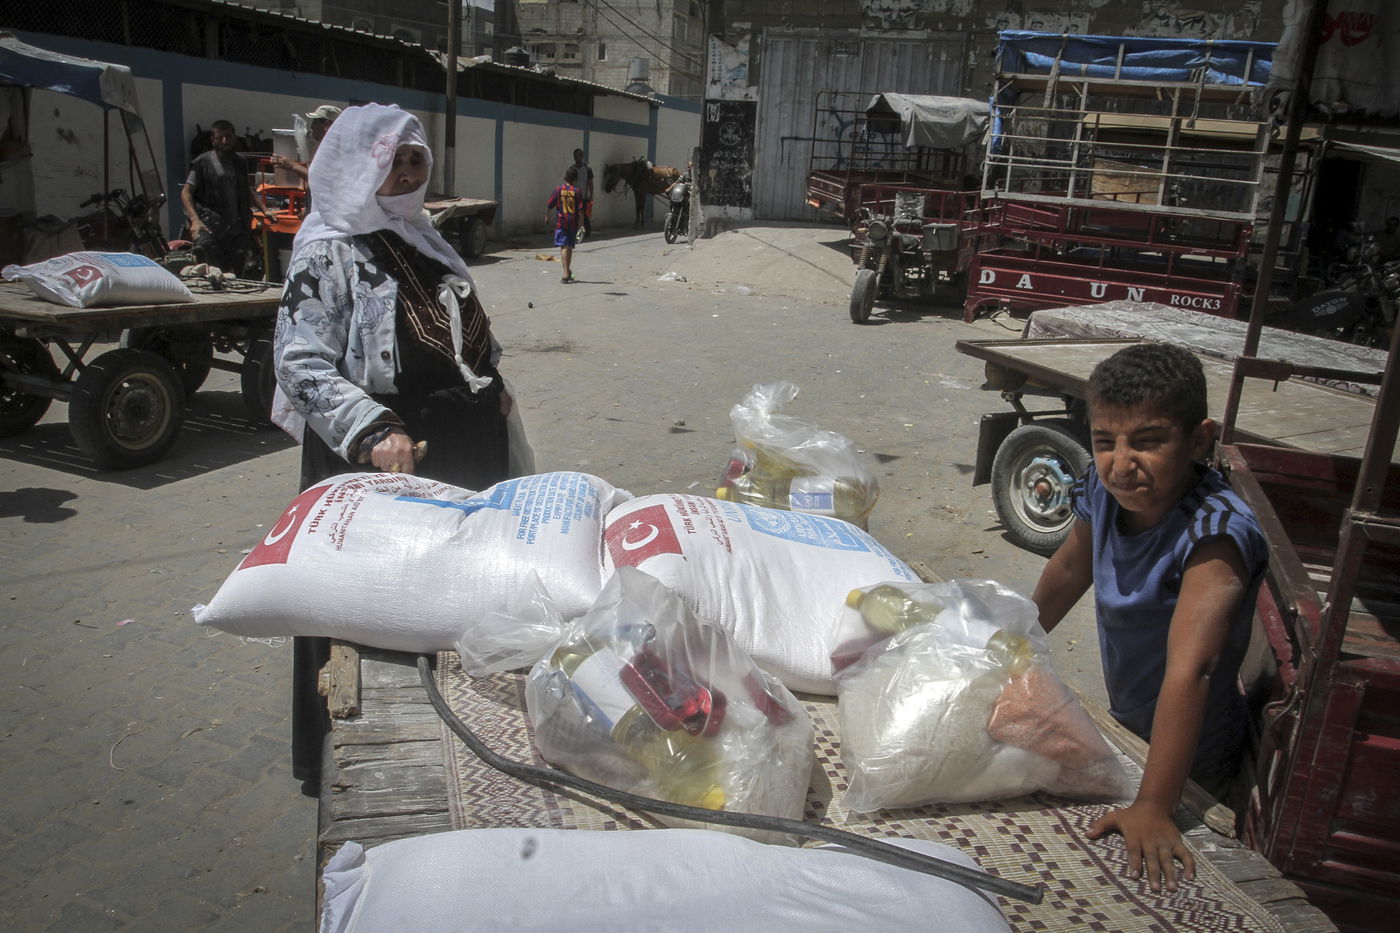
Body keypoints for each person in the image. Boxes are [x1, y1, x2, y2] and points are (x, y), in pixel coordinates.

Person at [272, 102, 516, 791]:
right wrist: (375, 430)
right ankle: (372, 767)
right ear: (357, 164)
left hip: (462, 451)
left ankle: (455, 743)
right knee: (377, 620)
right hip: (382, 459)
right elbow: (300, 361)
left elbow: (465, 327)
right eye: (392, 160)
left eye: (416, 160)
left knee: (452, 606)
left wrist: (491, 380)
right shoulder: (329, 248)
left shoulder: (422, 236)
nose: (406, 172)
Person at [1030, 342, 1267, 894]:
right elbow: (1070, 568)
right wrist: (1011, 648)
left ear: (1200, 439)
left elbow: (1194, 671)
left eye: (1149, 441)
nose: (1121, 462)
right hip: (1127, 719)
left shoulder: (1215, 535)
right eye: (1104, 442)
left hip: (1190, 754)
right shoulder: (1103, 487)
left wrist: (1156, 806)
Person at [181, 119, 267, 274]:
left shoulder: (240, 162)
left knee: (238, 274)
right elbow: (186, 192)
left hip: (238, 229)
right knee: (214, 271)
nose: (225, 141)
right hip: (211, 227)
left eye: (228, 136)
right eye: (220, 137)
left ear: (234, 137)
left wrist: (264, 210)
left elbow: (245, 189)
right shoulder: (202, 163)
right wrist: (195, 220)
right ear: (213, 140)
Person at [270, 104, 342, 184]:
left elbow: (321, 181)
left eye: (315, 122)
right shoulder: (318, 146)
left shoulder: (337, 151)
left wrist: (293, 165)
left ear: (327, 124)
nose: (311, 127)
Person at [547, 165, 581, 283]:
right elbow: (580, 209)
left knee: (563, 246)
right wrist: (582, 224)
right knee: (569, 246)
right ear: (575, 179)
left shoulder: (558, 190)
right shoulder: (577, 191)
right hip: (573, 222)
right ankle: (567, 270)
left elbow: (550, 205)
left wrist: (547, 216)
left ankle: (565, 272)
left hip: (561, 222)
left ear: (564, 177)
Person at [569, 147, 594, 239]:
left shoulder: (587, 169)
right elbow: (569, 182)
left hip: (583, 197)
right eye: (574, 156)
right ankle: (576, 233)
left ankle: (586, 232)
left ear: (582, 157)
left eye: (578, 156)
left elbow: (590, 184)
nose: (576, 158)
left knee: (584, 217)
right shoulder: (572, 169)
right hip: (573, 197)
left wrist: (591, 196)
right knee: (574, 216)